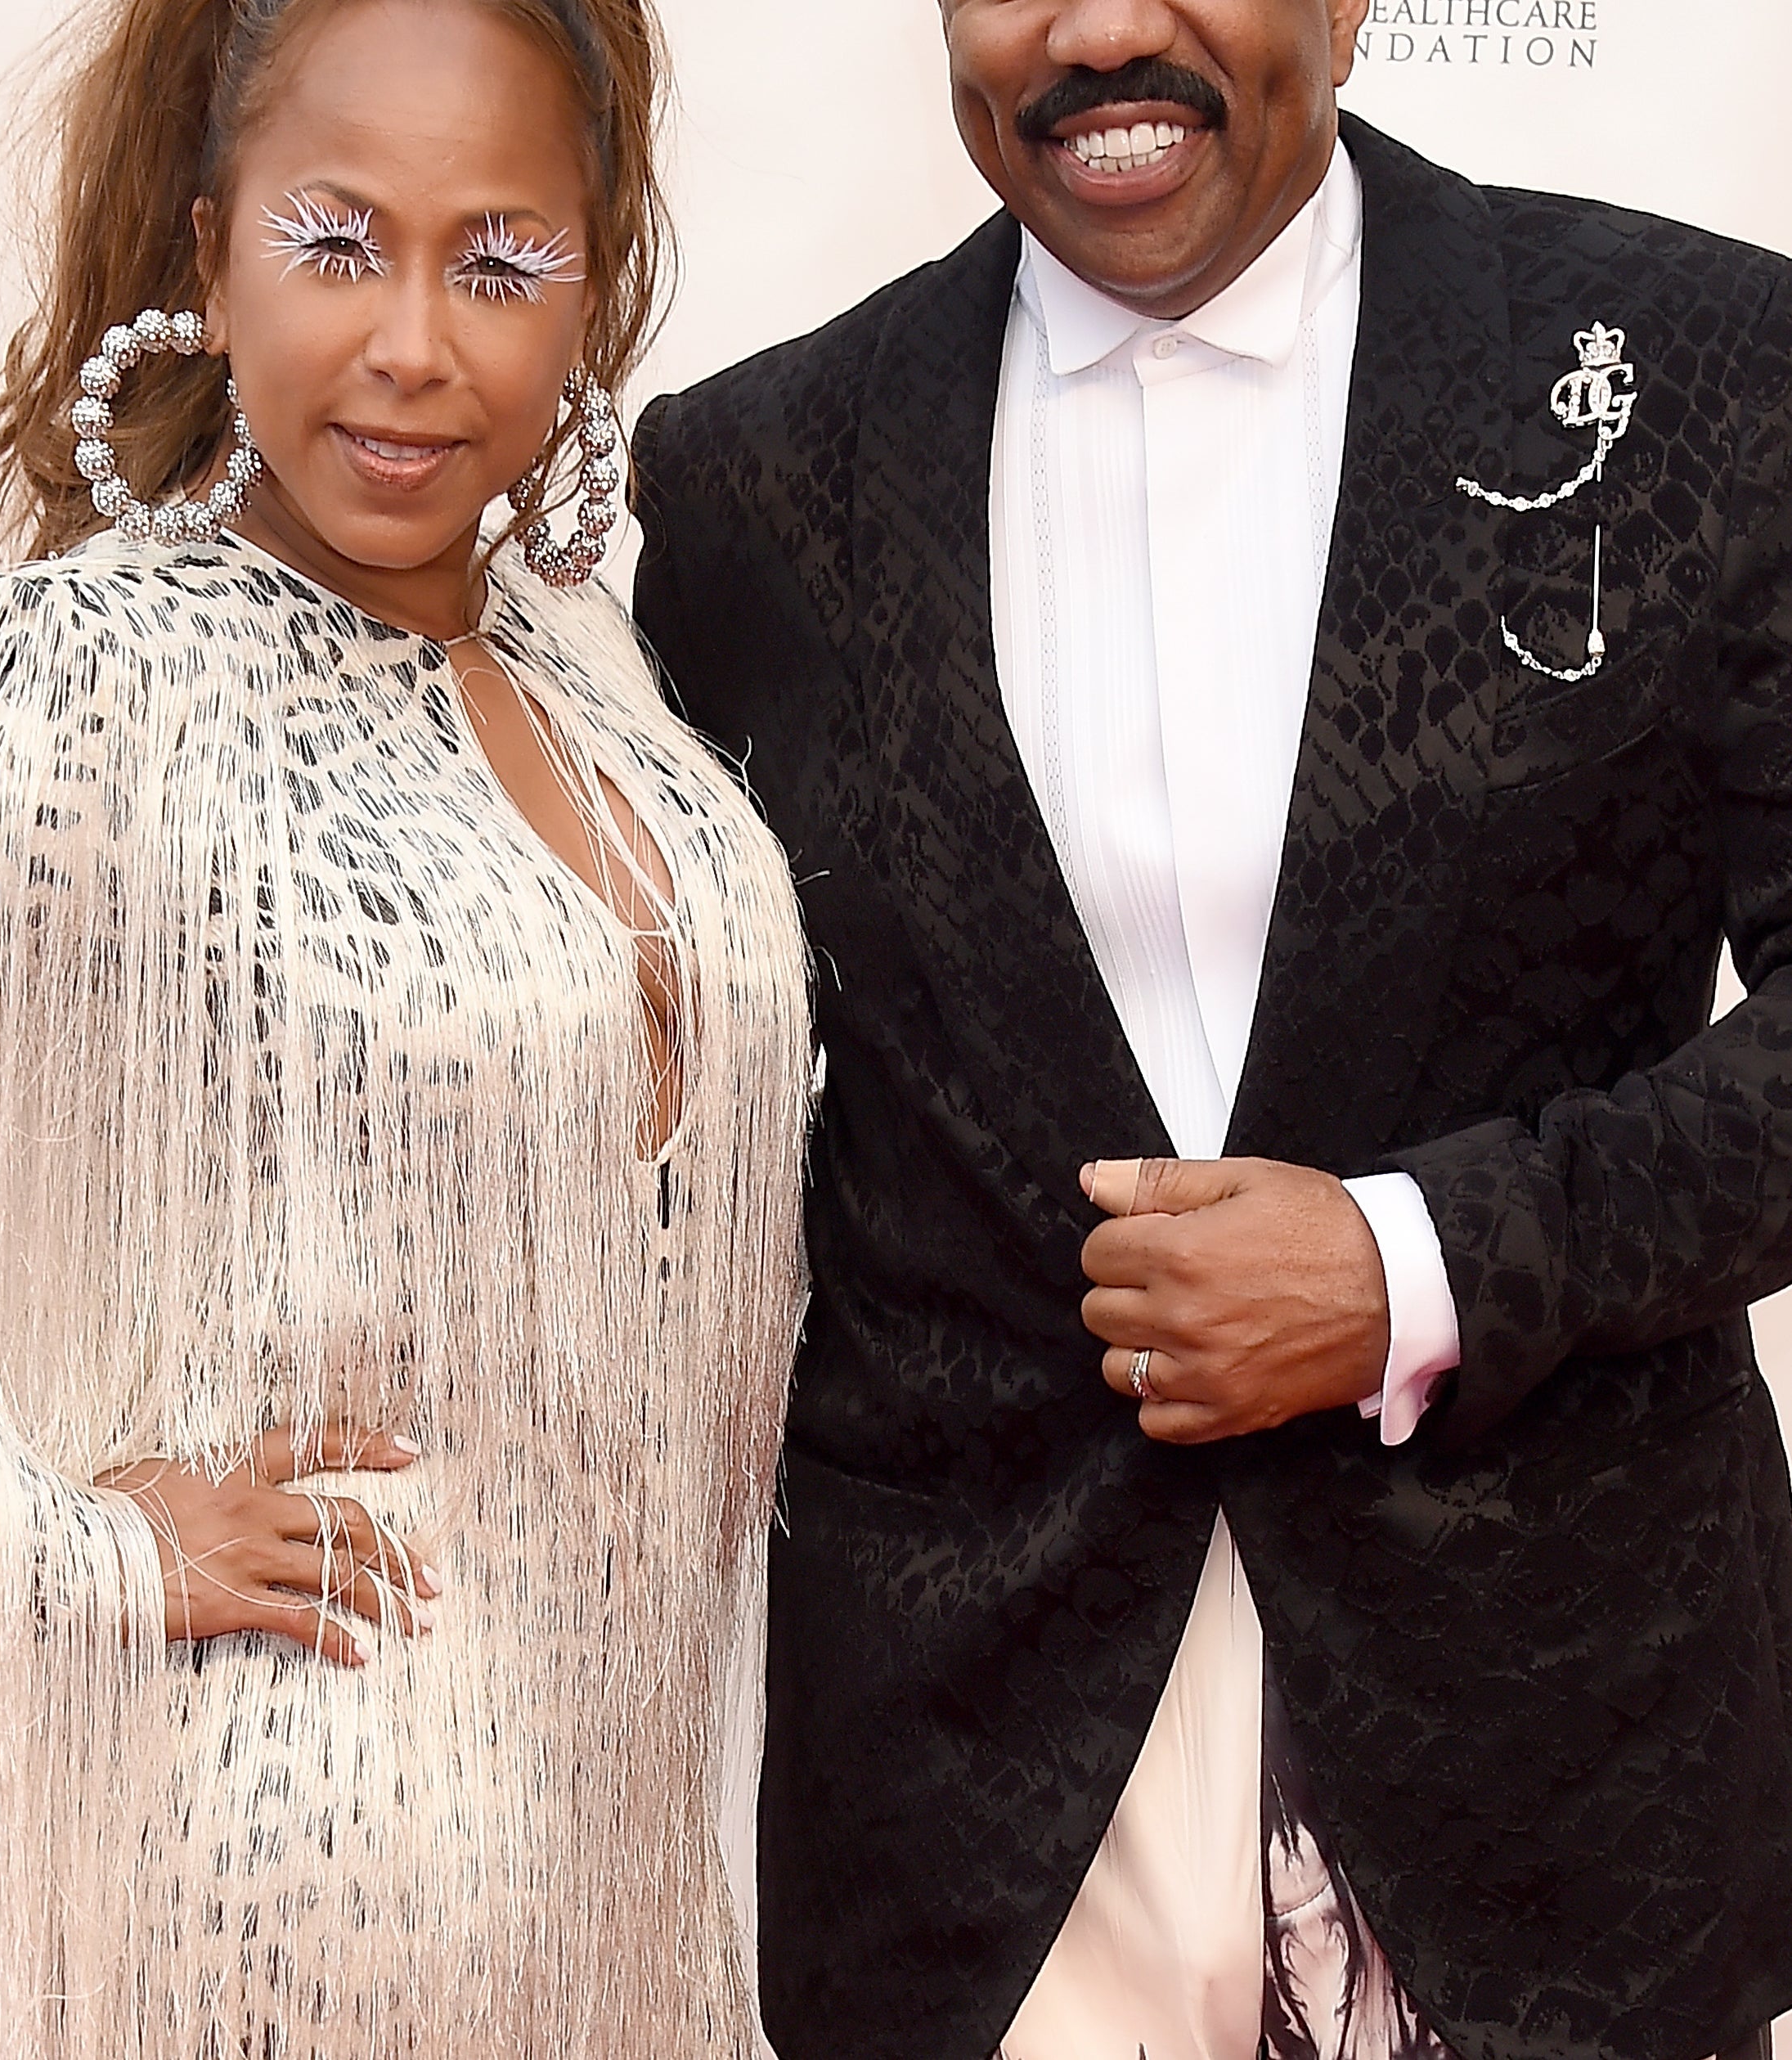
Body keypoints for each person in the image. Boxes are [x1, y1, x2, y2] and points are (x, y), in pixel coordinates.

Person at [631, 1, 1792, 2056]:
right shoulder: (751, 485)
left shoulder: (1702, 369)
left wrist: (1411, 1258)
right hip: (969, 1811)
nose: (1098, 32)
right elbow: (681, 1105)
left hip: (1544, 1780)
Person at [0, 2, 812, 2055]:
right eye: (335, 243)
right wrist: (74, 1544)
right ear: (211, 260)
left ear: (595, 286)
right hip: (277, 1893)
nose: (411, 339)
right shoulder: (92, 663)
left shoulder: (594, 676)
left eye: (497, 261)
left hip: (629, 1912)